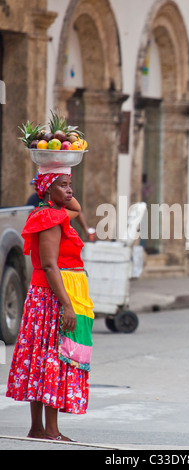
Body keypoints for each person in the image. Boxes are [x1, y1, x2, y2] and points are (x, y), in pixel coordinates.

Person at [6, 168, 94, 441]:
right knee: (52, 359)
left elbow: (76, 208)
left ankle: (38, 428)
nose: (70, 191)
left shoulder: (52, 214)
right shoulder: (49, 220)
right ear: (46, 190)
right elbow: (49, 265)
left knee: (41, 359)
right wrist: (67, 305)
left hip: (45, 296)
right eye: (64, 186)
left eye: (70, 185)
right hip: (51, 298)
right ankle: (50, 430)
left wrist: (59, 177)